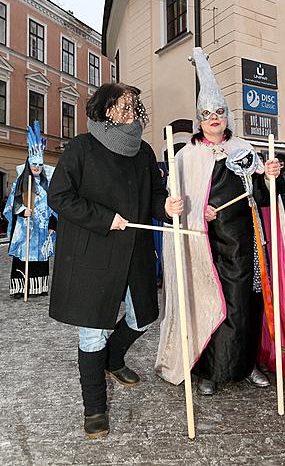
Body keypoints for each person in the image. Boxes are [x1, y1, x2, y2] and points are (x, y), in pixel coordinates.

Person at [155, 47, 285, 396]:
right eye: (206, 113)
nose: (213, 117)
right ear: (200, 120)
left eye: (219, 111)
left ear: (227, 116)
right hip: (205, 244)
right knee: (210, 303)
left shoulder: (244, 150)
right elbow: (175, 202)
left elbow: (263, 199)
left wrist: (269, 176)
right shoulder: (188, 156)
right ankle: (211, 370)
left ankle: (247, 365)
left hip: (245, 241)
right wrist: (190, 209)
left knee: (246, 305)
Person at [47, 83, 183, 439]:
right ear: (104, 108)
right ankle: (94, 409)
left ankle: (114, 357)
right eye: (121, 105)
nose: (128, 110)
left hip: (134, 253)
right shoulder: (81, 147)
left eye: (132, 105)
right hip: (93, 255)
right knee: (93, 333)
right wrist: (104, 218)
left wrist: (165, 207)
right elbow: (59, 197)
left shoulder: (143, 151)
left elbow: (154, 195)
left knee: (143, 317)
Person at [3, 121, 56, 299]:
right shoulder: (21, 183)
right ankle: (20, 287)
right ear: (28, 164)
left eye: (39, 165)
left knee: (40, 258)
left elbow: (54, 207)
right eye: (34, 164)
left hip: (41, 230)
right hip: (25, 228)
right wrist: (22, 210)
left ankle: (37, 287)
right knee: (22, 257)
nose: (36, 168)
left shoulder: (47, 185)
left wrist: (53, 225)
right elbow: (11, 204)